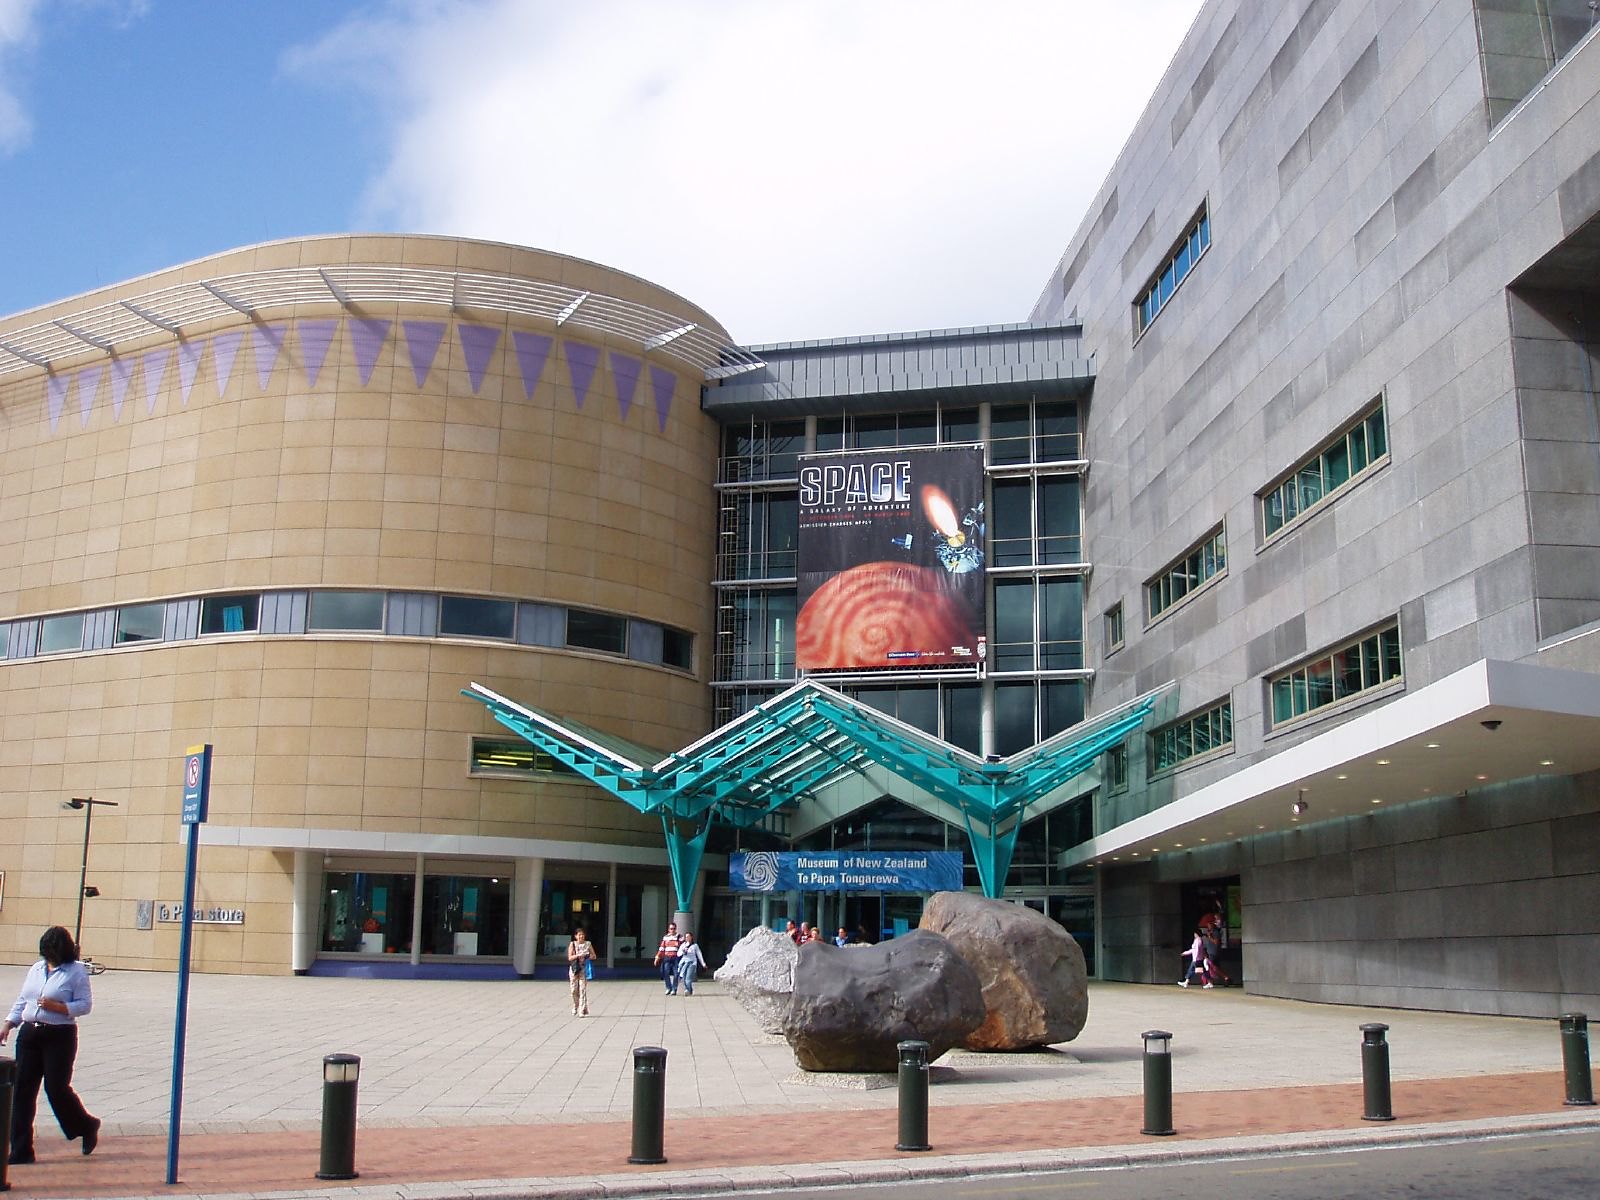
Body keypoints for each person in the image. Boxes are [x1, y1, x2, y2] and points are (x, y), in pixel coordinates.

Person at [1, 926, 101, 1164]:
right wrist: (8, 1023)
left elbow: (85, 1005)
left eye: (54, 954)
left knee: (56, 1088)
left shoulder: (76, 972)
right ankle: (21, 1150)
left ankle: (86, 1125)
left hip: (59, 1035)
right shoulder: (36, 968)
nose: (50, 958)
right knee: (23, 1091)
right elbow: (23, 1000)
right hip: (30, 1034)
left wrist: (59, 1007)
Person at [566, 927, 595, 1016]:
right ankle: (575, 1006)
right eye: (579, 935)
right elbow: (570, 957)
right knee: (574, 990)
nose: (581, 936)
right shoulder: (572, 944)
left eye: (582, 935)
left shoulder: (588, 944)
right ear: (575, 936)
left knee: (582, 989)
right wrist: (578, 955)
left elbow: (594, 956)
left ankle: (581, 1010)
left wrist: (587, 956)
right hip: (574, 969)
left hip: (583, 969)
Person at [654, 922, 683, 995]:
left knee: (676, 974)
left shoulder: (679, 937)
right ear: (668, 929)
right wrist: (657, 957)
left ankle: (674, 989)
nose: (672, 930)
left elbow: (683, 946)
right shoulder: (665, 937)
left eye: (674, 929)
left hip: (675, 957)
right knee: (665, 972)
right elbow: (662, 948)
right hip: (667, 957)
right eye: (671, 929)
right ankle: (668, 988)